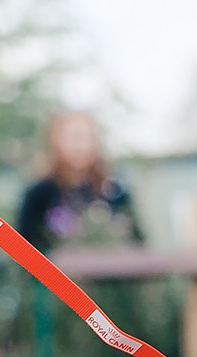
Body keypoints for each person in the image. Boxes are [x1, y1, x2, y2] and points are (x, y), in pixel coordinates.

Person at [17, 109, 142, 256]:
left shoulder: (115, 192)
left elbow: (138, 244)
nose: (80, 145)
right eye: (73, 137)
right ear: (55, 141)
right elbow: (23, 249)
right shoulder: (40, 194)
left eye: (86, 137)